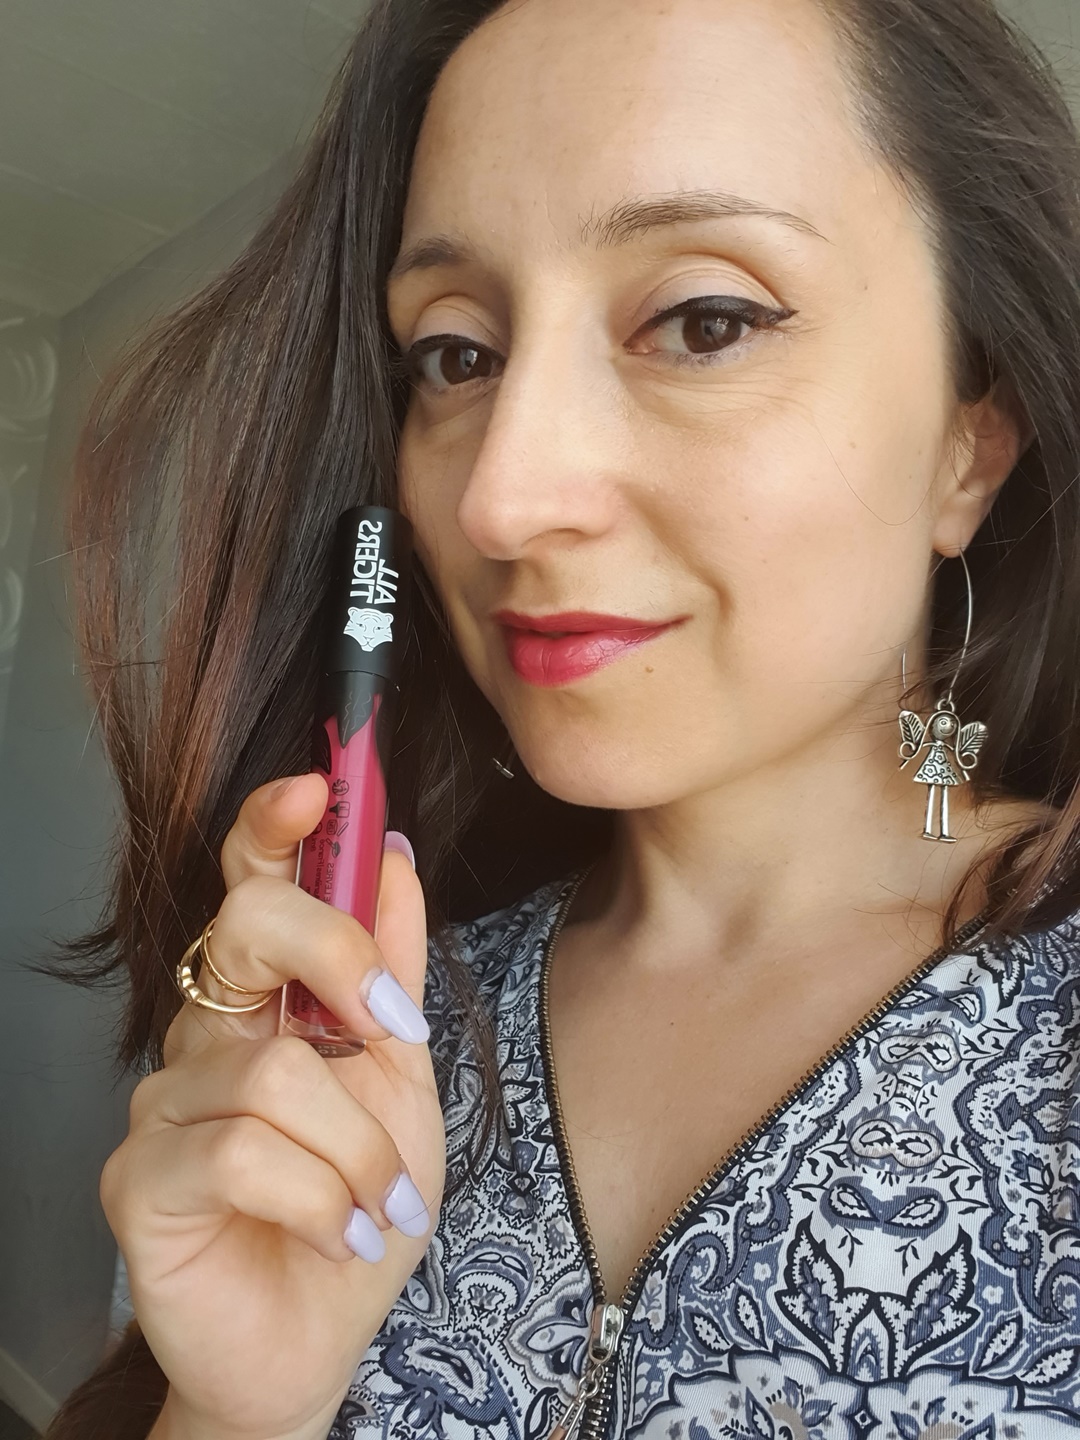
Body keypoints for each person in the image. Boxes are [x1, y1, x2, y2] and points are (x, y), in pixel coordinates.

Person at [40, 0, 1080, 1435]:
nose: (500, 498)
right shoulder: (358, 1030)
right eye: (456, 356)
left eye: (704, 321)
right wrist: (237, 1412)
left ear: (975, 437)